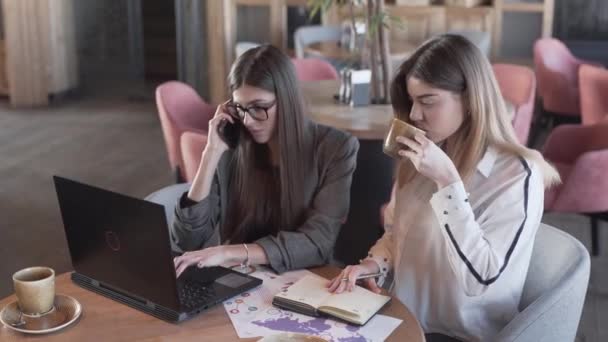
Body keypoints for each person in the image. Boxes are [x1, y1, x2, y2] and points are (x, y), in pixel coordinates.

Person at [328, 34, 560, 341]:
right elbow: (396, 235)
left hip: (459, 336)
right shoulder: (427, 154)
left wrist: (448, 182)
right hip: (402, 320)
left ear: (470, 98)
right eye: (411, 101)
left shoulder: (517, 176)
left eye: (427, 101)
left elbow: (480, 278)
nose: (413, 115)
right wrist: (373, 265)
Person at [172, 45, 359, 277]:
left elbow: (317, 242)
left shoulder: (336, 148)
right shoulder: (232, 145)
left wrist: (231, 252)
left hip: (308, 280)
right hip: (241, 280)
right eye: (241, 108)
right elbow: (188, 240)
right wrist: (211, 152)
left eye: (259, 108)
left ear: (287, 100)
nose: (248, 121)